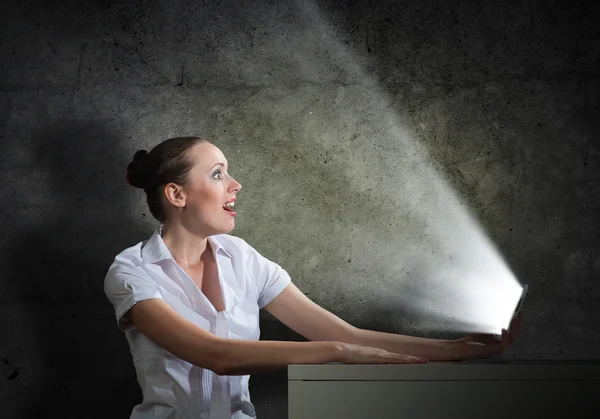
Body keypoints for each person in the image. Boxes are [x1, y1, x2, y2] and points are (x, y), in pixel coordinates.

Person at [104, 136, 521, 419]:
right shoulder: (132, 272)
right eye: (217, 174)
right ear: (176, 195)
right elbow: (217, 355)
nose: (236, 184)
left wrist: (457, 349)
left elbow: (344, 332)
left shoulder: (243, 259)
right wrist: (334, 351)